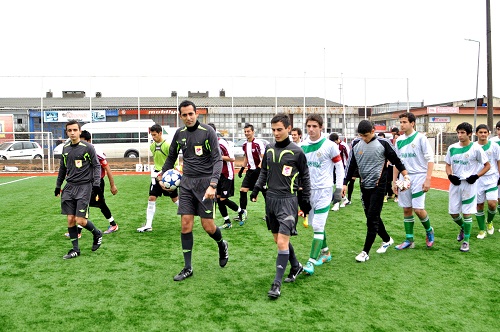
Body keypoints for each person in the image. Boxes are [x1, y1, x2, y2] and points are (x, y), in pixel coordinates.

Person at [159, 100, 228, 281]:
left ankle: (222, 244)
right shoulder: (179, 134)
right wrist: (162, 174)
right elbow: (171, 156)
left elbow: (218, 160)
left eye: (191, 114)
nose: (188, 118)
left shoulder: (208, 132)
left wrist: (213, 184)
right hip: (187, 184)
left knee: (208, 227)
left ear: (196, 114)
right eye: (184, 115)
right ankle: (188, 267)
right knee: (185, 225)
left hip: (205, 185)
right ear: (180, 116)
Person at [250, 113, 311, 299]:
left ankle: (276, 284)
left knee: (282, 243)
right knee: (279, 240)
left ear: (288, 129)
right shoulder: (268, 149)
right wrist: (256, 189)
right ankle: (296, 266)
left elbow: (305, 177)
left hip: (288, 201)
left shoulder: (297, 152)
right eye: (273, 130)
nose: (276, 133)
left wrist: (305, 201)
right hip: (271, 200)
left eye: (280, 130)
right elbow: (264, 172)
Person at [342, 120, 408, 262]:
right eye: (361, 135)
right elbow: (350, 164)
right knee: (372, 217)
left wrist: (406, 175)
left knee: (372, 219)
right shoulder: (356, 144)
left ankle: (365, 252)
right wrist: (344, 183)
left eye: (365, 135)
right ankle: (387, 239)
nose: (363, 138)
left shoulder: (383, 144)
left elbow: (396, 160)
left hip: (379, 186)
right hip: (364, 185)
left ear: (373, 131)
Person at [301, 115, 343, 276]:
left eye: (314, 126)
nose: (311, 129)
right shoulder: (302, 145)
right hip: (308, 191)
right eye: (308, 126)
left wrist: (338, 189)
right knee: (315, 225)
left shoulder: (330, 145)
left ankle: (311, 262)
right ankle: (326, 253)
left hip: (325, 190)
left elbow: (339, 167)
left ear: (321, 127)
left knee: (318, 225)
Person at [55, 120, 103, 259]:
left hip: (84, 187)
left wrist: (96, 184)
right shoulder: (65, 148)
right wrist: (58, 185)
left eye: (75, 130)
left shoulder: (87, 147)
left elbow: (96, 165)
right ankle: (75, 249)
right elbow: (63, 168)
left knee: (80, 220)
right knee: (70, 219)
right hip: (69, 187)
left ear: (79, 131)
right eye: (69, 130)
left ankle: (97, 233)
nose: (72, 133)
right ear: (67, 132)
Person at [65, 130, 119, 238]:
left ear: (89, 141)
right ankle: (112, 224)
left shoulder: (96, 151)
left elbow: (107, 168)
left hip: (96, 183)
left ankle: (79, 232)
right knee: (89, 203)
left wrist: (112, 185)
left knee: (92, 203)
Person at [392, 113, 435, 250]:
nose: (402, 124)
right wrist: (394, 181)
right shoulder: (398, 141)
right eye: (401, 122)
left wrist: (428, 179)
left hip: (419, 176)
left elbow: (430, 159)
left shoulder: (421, 138)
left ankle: (429, 230)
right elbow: (396, 163)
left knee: (418, 209)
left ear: (412, 123)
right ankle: (409, 239)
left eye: (404, 122)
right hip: (404, 178)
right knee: (406, 209)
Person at [445, 122, 490, 252]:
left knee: (466, 213)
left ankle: (466, 241)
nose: (459, 135)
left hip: (469, 185)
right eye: (458, 132)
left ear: (469, 134)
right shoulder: (452, 148)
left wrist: (476, 176)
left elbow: (487, 165)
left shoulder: (476, 149)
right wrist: (450, 175)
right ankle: (463, 228)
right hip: (455, 183)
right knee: (453, 213)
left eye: (462, 133)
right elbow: (448, 164)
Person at [137, 124, 179, 232]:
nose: (153, 137)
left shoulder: (167, 145)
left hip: (167, 176)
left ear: (160, 133)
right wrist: (156, 174)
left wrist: (172, 174)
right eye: (152, 135)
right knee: (151, 198)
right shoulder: (152, 146)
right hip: (156, 175)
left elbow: (175, 161)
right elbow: (157, 161)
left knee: (175, 199)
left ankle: (189, 213)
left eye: (155, 135)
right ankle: (148, 225)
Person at [207, 123, 243, 229]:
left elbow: (232, 158)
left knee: (223, 199)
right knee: (218, 199)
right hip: (218, 174)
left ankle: (241, 212)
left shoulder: (221, 143)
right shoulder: (208, 144)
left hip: (227, 173)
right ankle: (227, 221)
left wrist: (218, 157)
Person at [473, 124, 500, 238]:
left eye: (485, 132)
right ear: (476, 133)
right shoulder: (473, 146)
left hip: (492, 178)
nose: (483, 134)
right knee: (479, 205)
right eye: (481, 132)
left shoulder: (494, 146)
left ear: (488, 133)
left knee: (492, 203)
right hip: (478, 180)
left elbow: (498, 161)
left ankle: (489, 222)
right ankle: (481, 230)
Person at [237, 123, 266, 225]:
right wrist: (242, 169)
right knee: (242, 190)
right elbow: (246, 157)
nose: (246, 133)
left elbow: (264, 157)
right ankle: (243, 212)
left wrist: (259, 168)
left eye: (248, 131)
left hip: (259, 171)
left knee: (265, 192)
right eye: (245, 131)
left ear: (253, 132)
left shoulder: (258, 143)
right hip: (250, 171)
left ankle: (269, 214)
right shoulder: (244, 144)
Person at [329, 132, 349, 211]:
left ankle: (336, 204)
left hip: (342, 168)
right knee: (332, 184)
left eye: (334, 142)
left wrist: (347, 169)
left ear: (338, 140)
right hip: (333, 168)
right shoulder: (331, 146)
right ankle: (345, 199)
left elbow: (348, 157)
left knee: (339, 185)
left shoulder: (343, 146)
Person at [489, 120, 500, 227]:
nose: (499, 131)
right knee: (495, 201)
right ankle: (489, 221)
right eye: (498, 129)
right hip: (495, 175)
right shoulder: (492, 141)